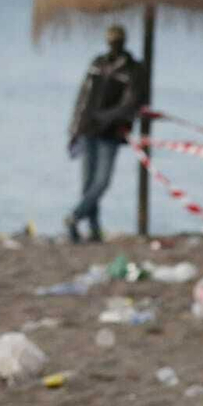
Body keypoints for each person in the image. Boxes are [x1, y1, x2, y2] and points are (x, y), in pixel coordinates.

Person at [64, 25, 147, 243]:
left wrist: (107, 117)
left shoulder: (133, 69)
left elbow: (131, 103)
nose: (113, 44)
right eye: (110, 40)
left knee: (102, 181)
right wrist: (74, 127)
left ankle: (75, 216)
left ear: (123, 41)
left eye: (116, 40)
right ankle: (93, 228)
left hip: (110, 132)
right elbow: (83, 95)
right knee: (88, 182)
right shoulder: (97, 63)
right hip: (87, 128)